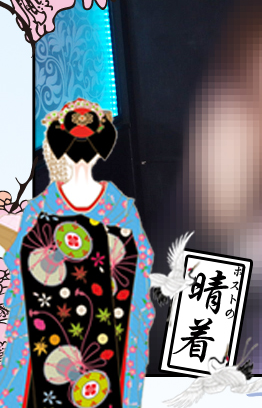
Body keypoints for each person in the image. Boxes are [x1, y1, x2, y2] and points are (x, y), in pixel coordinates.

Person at [0, 98, 153, 408]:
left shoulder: (120, 208)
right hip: (48, 332)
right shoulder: (40, 208)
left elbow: (138, 272)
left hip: (105, 329)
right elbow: (19, 263)